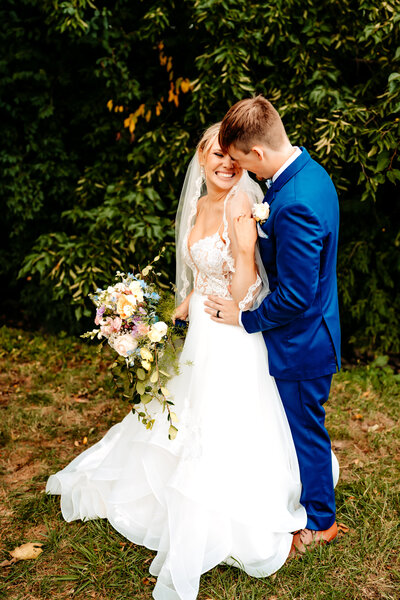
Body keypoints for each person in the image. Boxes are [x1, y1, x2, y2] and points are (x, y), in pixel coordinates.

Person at [45, 123, 337, 600]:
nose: (226, 164)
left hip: (234, 331)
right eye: (216, 155)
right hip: (203, 327)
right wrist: (164, 314)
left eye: (232, 157)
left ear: (244, 160)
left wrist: (243, 257)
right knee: (184, 413)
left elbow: (246, 288)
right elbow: (202, 276)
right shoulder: (200, 205)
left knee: (225, 421)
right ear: (201, 159)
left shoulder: (244, 203)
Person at [204, 97, 341, 555]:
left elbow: (297, 297)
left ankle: (321, 522)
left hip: (303, 344)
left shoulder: (296, 202)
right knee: (298, 426)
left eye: (242, 160)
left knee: (306, 429)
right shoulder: (310, 174)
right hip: (312, 332)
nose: (241, 169)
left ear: (257, 154)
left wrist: (246, 319)